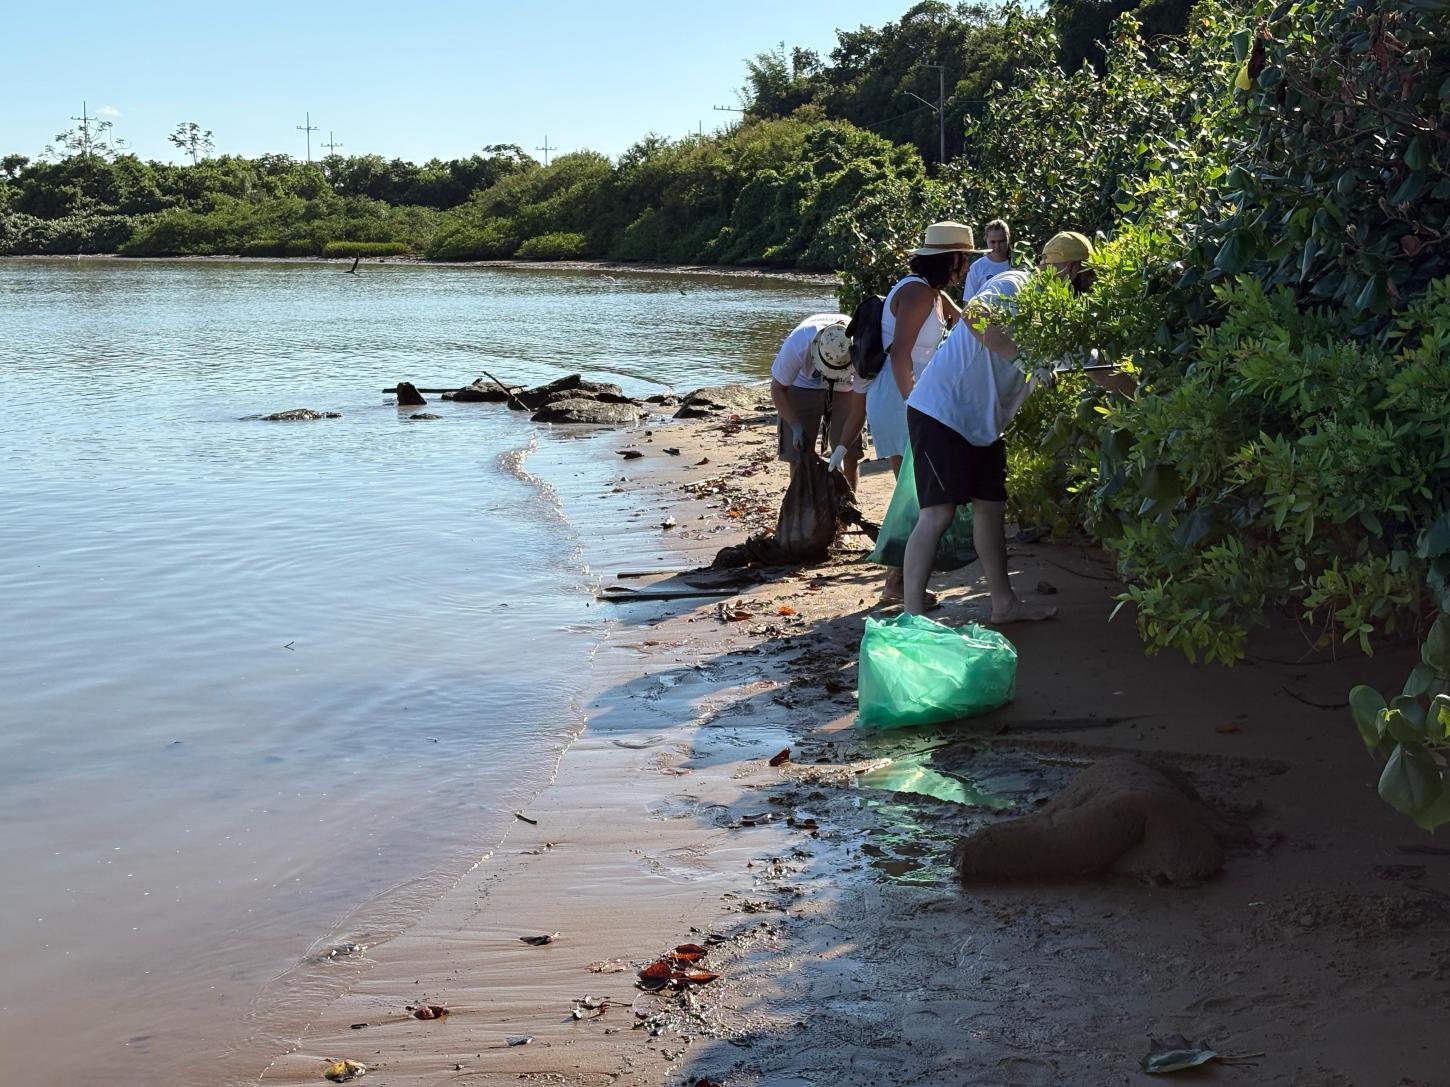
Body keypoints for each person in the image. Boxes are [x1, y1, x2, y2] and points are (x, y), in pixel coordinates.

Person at [901, 231, 1134, 621]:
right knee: (937, 515)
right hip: (941, 410)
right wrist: (1026, 357)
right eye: (1086, 278)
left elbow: (1102, 372)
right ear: (1069, 269)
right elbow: (975, 316)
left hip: (984, 424)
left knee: (990, 508)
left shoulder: (1065, 320)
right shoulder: (1014, 284)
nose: (1088, 287)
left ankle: (1004, 604)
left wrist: (1143, 394)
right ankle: (911, 617)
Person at [858, 221, 974, 604]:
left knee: (916, 494)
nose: (967, 268)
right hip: (901, 396)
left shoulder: (933, 294)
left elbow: (969, 321)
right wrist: (915, 407)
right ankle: (897, 586)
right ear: (951, 258)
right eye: (965, 259)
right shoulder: (917, 293)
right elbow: (901, 353)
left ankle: (899, 583)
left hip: (917, 395)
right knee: (917, 495)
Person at [769, 314, 869, 493]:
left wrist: (842, 448)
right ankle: (802, 502)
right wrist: (795, 425)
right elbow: (777, 388)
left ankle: (848, 505)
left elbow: (859, 409)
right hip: (802, 385)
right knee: (798, 452)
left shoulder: (863, 349)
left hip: (845, 390)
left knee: (851, 453)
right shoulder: (799, 341)